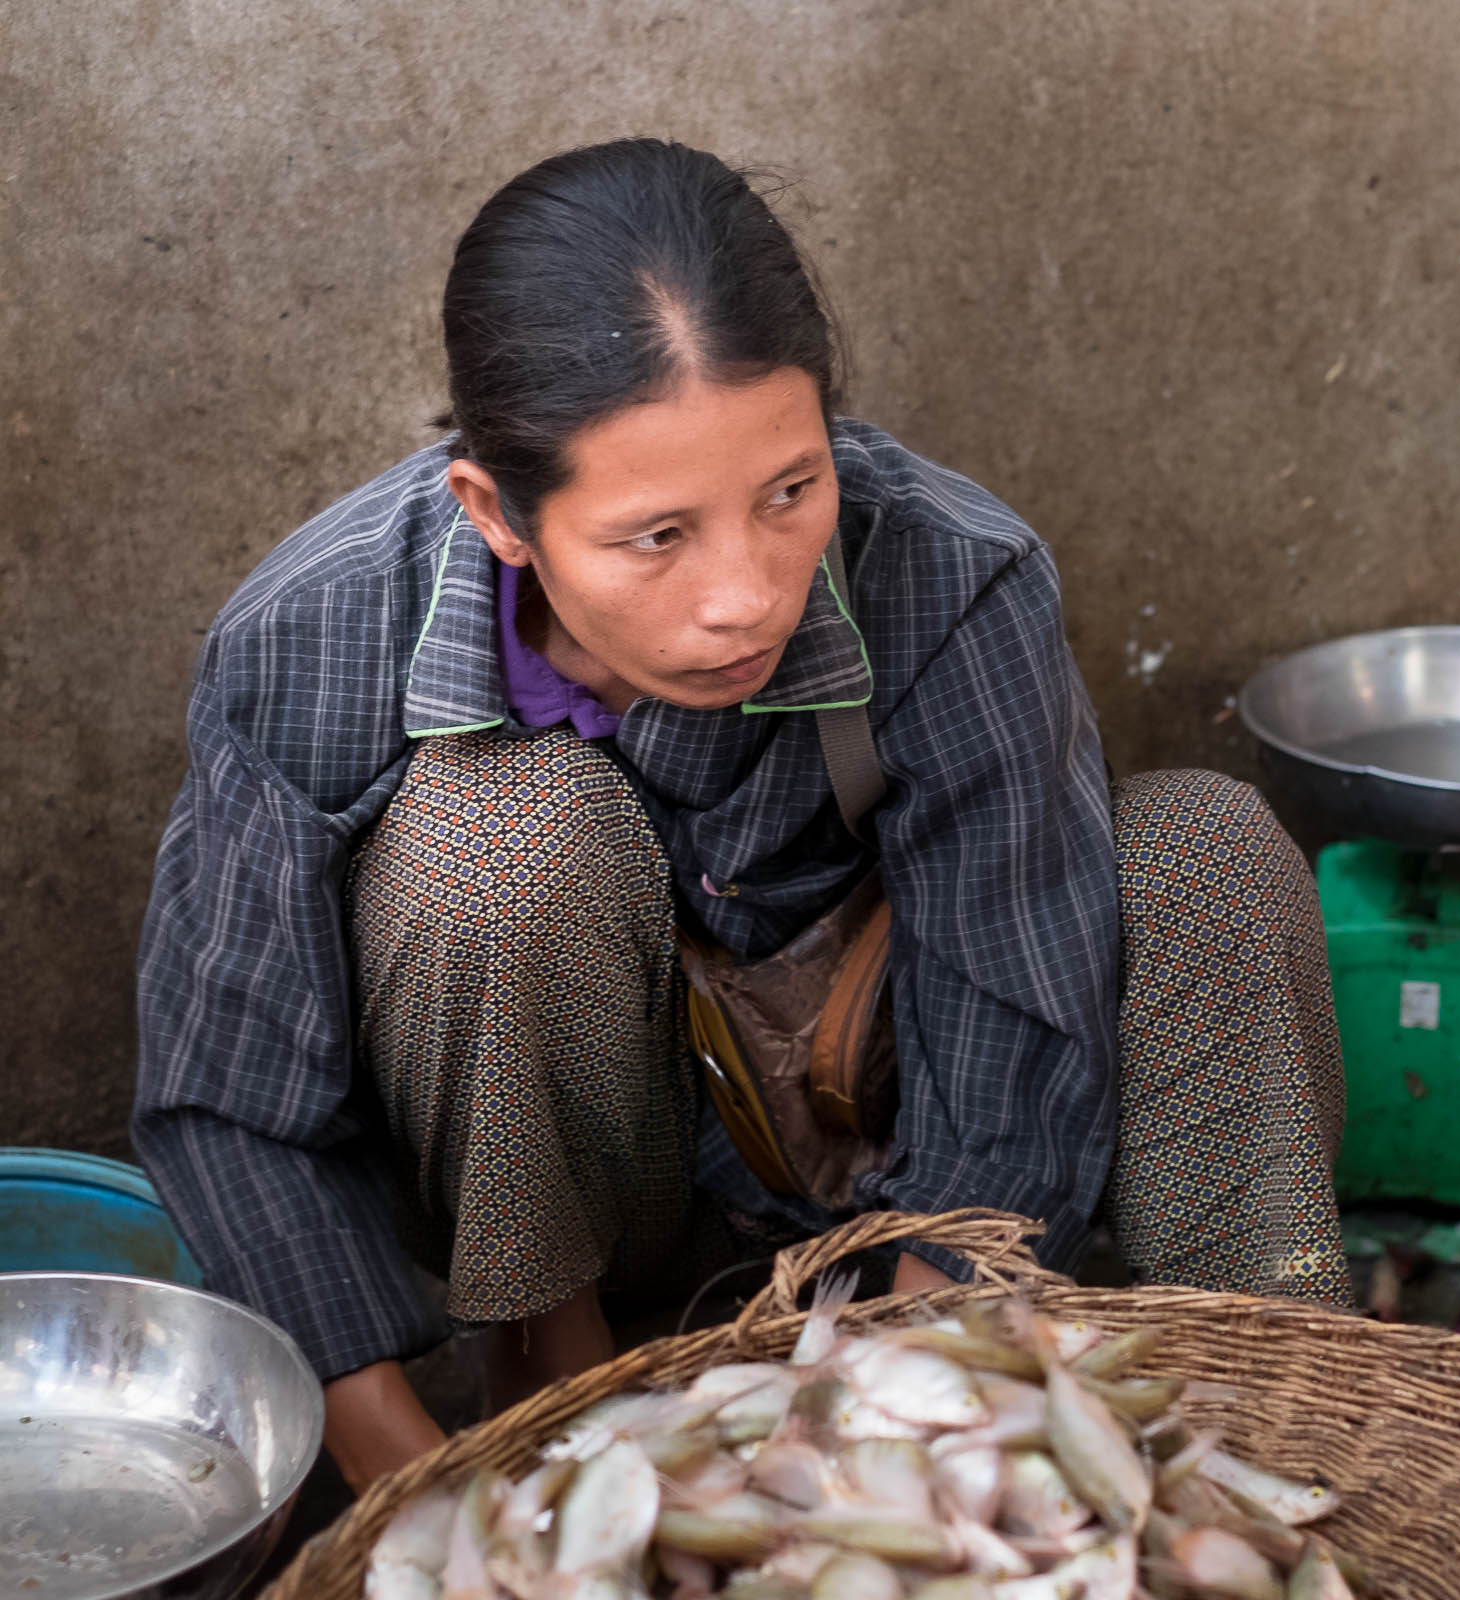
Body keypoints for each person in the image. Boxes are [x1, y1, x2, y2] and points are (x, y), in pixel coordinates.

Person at [132, 137, 1349, 1495]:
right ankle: (548, 1397)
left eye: (791, 493)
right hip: (596, 1200)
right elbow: (228, 1103)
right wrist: (430, 1514)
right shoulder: (316, 632)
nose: (747, 595)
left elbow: (1021, 1032)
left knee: (1202, 849)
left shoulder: (949, 572)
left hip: (887, 1148)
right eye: (658, 536)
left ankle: (1267, 1437)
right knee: (495, 845)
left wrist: (884, 1436)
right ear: (499, 511)